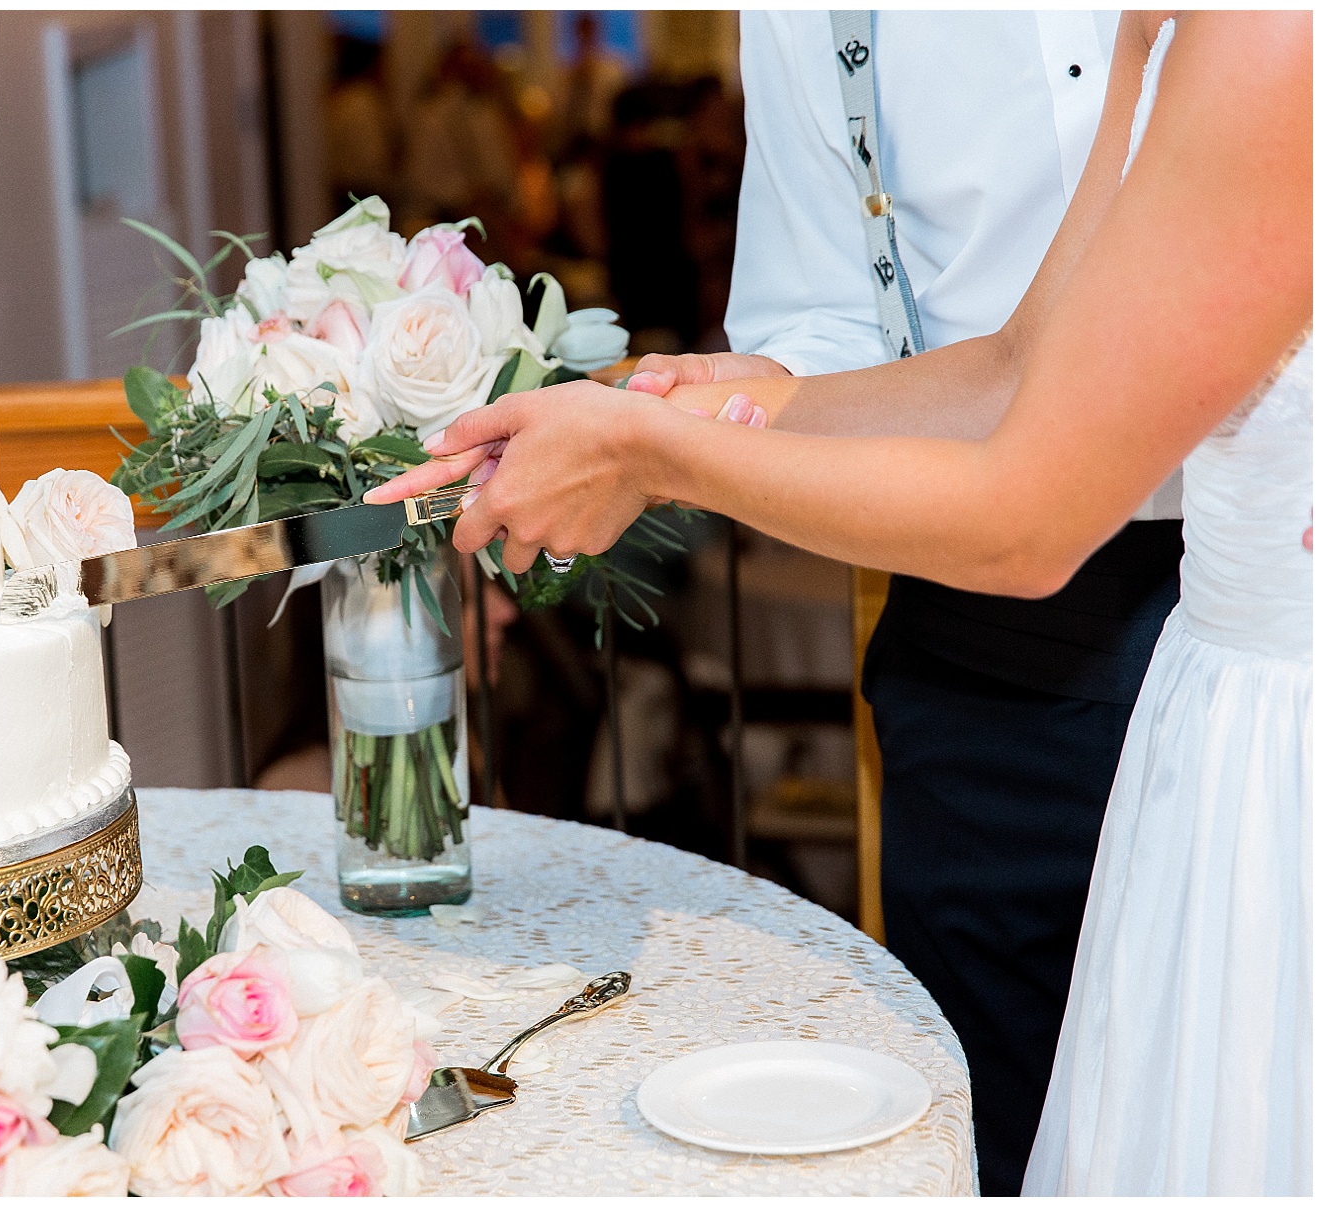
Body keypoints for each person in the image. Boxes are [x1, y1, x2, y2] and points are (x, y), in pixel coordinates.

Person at [368, 10, 1310, 1194]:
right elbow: (1019, 370)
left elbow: (1030, 517)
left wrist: (656, 461)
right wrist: (683, 413)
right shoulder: (1161, 33)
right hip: (1204, 725)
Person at [632, 13, 1161, 1195]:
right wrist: (716, 412)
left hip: (1248, 605)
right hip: (986, 649)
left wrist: (660, 455)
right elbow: (979, 361)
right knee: (1002, 1145)